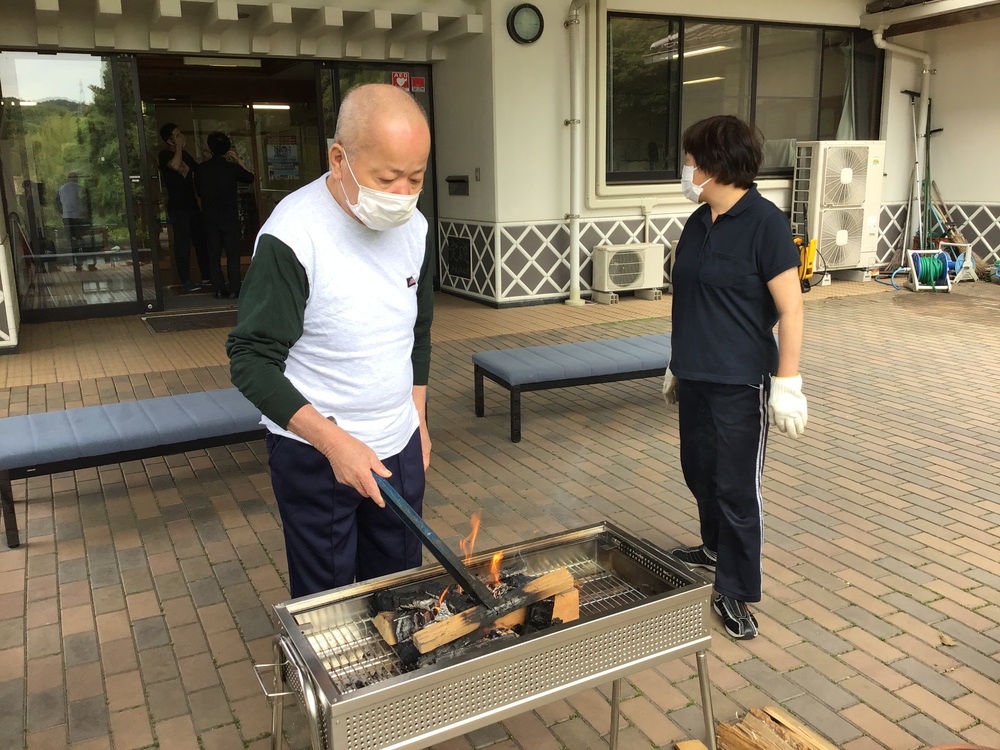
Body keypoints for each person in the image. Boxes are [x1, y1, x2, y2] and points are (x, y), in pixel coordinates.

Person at [226, 84, 433, 598]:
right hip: (316, 451)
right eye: (387, 178)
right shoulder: (293, 236)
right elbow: (250, 360)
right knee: (329, 599)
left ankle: (400, 677)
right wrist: (334, 444)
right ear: (338, 158)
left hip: (398, 439)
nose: (403, 194)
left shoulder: (415, 227)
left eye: (416, 177)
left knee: (402, 587)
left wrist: (419, 421)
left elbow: (418, 330)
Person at [666, 115, 806, 640]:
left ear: (714, 165)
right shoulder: (699, 220)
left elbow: (790, 310)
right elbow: (692, 296)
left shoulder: (764, 223)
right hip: (696, 373)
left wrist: (787, 382)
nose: (685, 169)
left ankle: (737, 591)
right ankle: (711, 547)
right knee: (698, 471)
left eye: (690, 160)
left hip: (739, 381)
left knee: (736, 489)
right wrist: (675, 361)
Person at [194, 132, 255, 299]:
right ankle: (235, 288)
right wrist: (237, 159)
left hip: (210, 217)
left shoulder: (201, 170)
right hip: (230, 217)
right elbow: (250, 178)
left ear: (210, 148)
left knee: (213, 254)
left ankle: (219, 289)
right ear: (227, 148)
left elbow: (198, 191)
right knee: (233, 254)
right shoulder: (232, 169)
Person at [158, 123, 210, 292]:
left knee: (201, 241)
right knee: (182, 244)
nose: (181, 137)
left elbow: (199, 170)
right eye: (177, 135)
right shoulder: (164, 155)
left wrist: (206, 159)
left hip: (192, 205)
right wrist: (178, 147)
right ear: (169, 140)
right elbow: (174, 165)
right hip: (177, 207)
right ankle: (185, 279)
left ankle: (207, 276)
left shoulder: (186, 155)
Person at [56, 172, 92, 271]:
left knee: (72, 240)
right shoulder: (81, 188)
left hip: (67, 217)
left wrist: (63, 212)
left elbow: (57, 204)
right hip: (79, 216)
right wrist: (87, 214)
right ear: (77, 178)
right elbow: (86, 203)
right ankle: (85, 260)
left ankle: (77, 263)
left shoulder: (61, 189)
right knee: (81, 239)